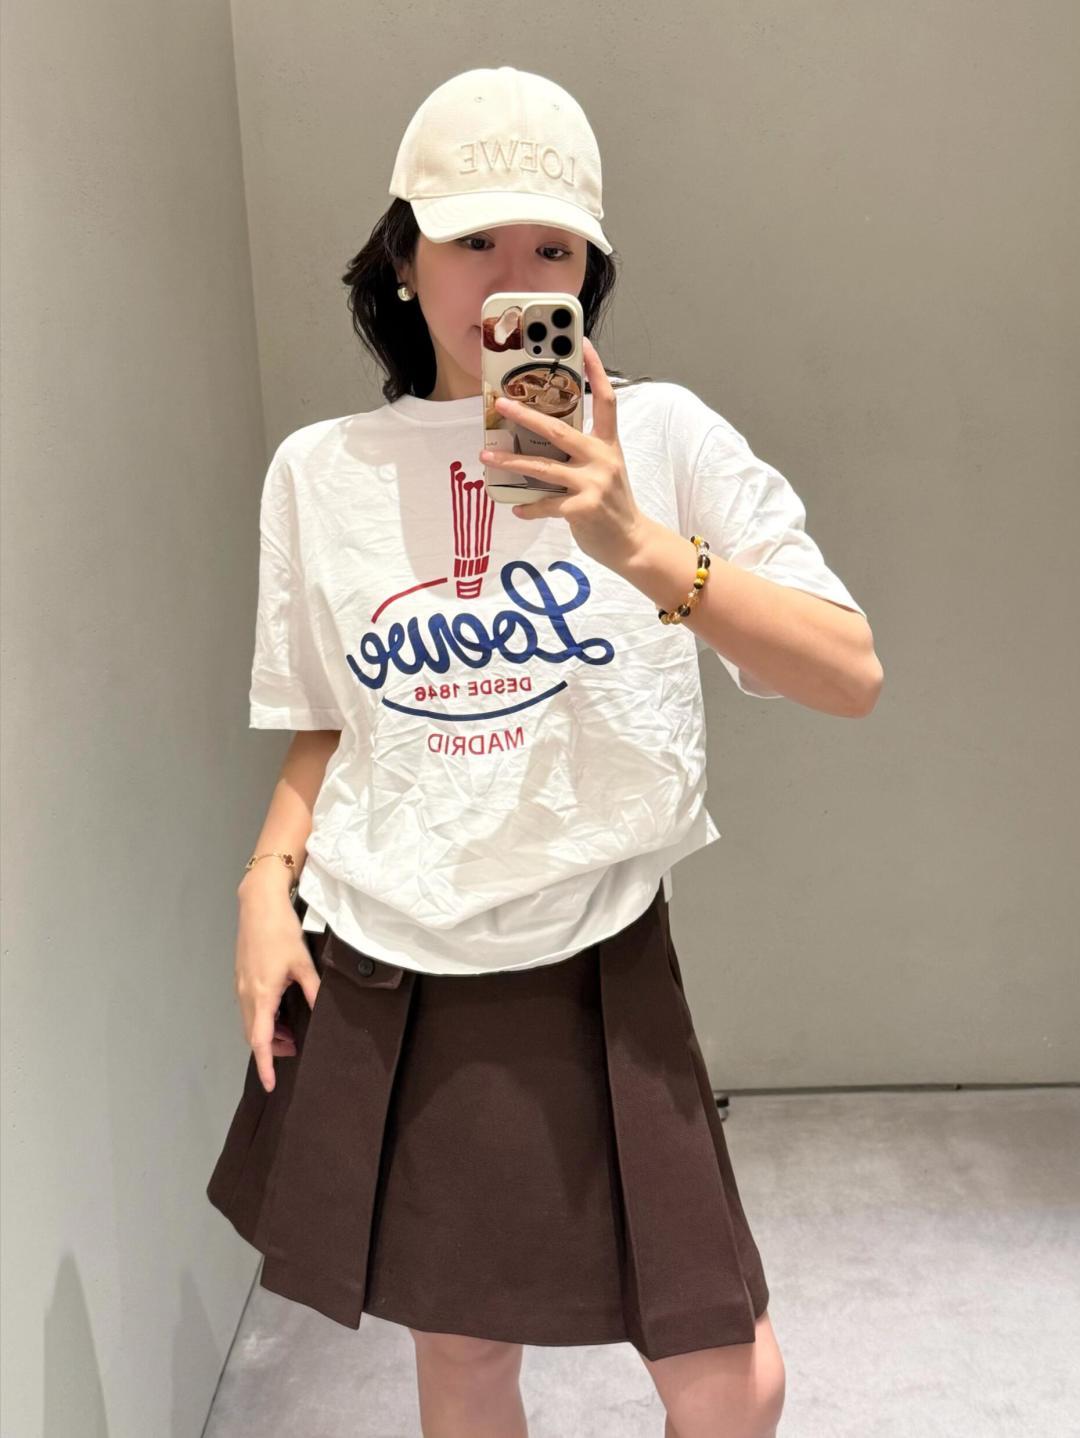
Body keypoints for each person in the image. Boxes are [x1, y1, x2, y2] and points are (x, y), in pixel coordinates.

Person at [207, 65, 882, 1438]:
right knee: (464, 1354)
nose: (511, 279)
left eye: (552, 249)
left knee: (732, 1380)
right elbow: (335, 721)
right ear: (403, 257)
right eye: (473, 240)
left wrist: (637, 543)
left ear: (589, 275)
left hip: (599, 956)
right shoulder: (319, 473)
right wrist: (264, 885)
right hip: (392, 962)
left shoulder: (664, 441)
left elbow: (848, 670)